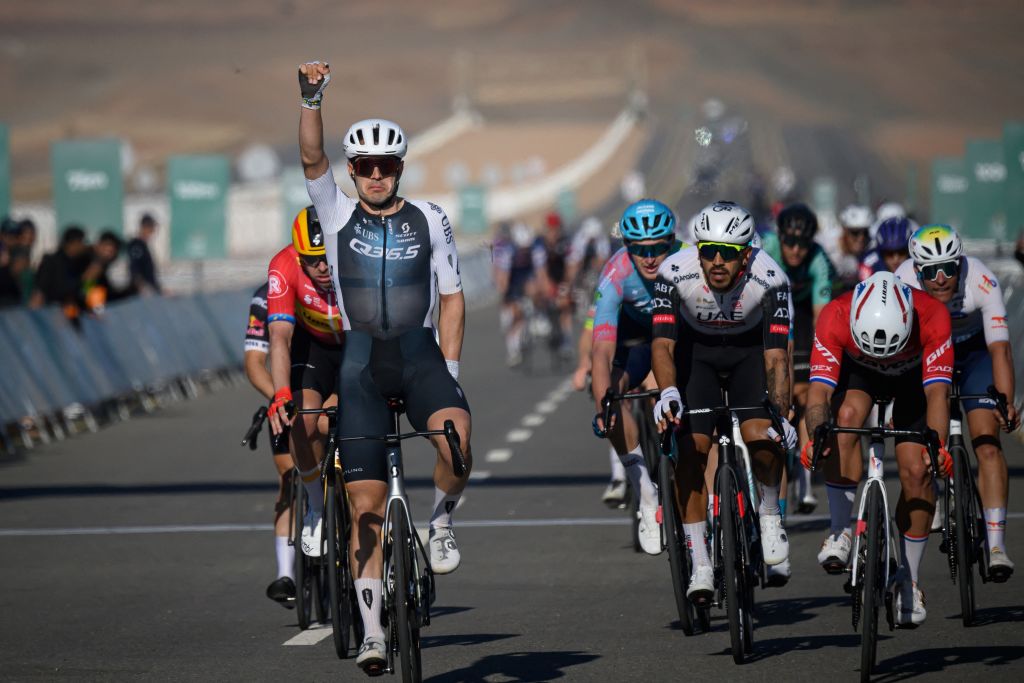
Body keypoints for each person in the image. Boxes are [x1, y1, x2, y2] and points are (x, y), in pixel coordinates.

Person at [295, 61, 472, 675]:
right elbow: (311, 157)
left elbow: (451, 295)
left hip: (421, 356)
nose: (374, 175)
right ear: (352, 171)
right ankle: (373, 632)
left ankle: (441, 521)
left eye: (386, 166)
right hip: (362, 365)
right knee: (365, 508)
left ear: (400, 168)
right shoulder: (336, 214)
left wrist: (450, 366)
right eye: (364, 167)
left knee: (458, 440)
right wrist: (312, 97)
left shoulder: (430, 218)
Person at [652, 200, 797, 599]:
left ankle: (769, 513)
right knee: (692, 448)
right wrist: (667, 392)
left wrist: (781, 415)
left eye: (729, 253)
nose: (717, 261)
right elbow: (663, 344)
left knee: (762, 436)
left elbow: (776, 358)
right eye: (708, 251)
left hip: (749, 353)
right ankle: (700, 561)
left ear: (746, 254)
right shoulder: (673, 272)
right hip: (696, 355)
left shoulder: (771, 280)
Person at [803, 271, 953, 626]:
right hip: (860, 374)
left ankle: (909, 579)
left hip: (914, 380)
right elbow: (819, 393)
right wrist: (815, 437)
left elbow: (937, 393)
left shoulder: (932, 315)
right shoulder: (835, 315)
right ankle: (840, 529)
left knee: (917, 469)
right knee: (845, 417)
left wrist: (939, 446)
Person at [895, 224, 1020, 581]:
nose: (940, 279)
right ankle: (930, 494)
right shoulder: (901, 281)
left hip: (973, 354)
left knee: (986, 440)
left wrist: (1005, 401)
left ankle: (996, 545)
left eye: (948, 268)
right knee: (920, 440)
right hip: (925, 353)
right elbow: (895, 355)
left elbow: (1000, 348)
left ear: (959, 264)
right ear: (916, 269)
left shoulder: (982, 280)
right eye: (930, 271)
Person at [590, 199, 686, 554]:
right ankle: (645, 490)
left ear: (672, 242)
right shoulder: (615, 274)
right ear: (626, 247)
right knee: (610, 398)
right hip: (635, 340)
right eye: (640, 250)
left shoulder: (690, 260)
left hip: (678, 335)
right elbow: (600, 350)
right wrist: (604, 405)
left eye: (659, 247)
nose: (650, 257)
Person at [266, 206, 344, 571]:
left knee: (345, 419)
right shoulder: (283, 265)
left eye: (329, 256)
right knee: (303, 422)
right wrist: (281, 393)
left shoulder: (354, 258)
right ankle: (315, 503)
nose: (325, 268)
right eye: (314, 262)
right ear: (299, 256)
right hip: (311, 348)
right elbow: (279, 337)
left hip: (356, 345)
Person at [760, 203, 836, 516]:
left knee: (805, 393)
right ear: (780, 238)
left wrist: (819, 366)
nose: (795, 250)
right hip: (767, 312)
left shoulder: (819, 260)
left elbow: (822, 321)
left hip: (804, 316)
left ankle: (804, 475)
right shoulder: (766, 249)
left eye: (802, 244)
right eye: (789, 242)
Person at [243, 281, 298, 606]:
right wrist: (278, 399)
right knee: (288, 478)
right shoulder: (265, 296)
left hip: (329, 384)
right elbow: (253, 363)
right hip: (284, 391)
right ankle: (286, 573)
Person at [492, 221, 543, 367]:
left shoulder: (536, 248)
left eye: (527, 248)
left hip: (527, 274)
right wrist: (506, 296)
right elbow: (503, 278)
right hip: (513, 277)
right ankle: (513, 350)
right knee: (516, 315)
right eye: (523, 249)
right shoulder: (508, 251)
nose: (525, 252)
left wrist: (543, 291)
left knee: (535, 289)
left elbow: (541, 273)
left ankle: (538, 317)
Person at [535, 211, 575, 357]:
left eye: (555, 229)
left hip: (561, 276)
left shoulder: (566, 242)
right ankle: (541, 316)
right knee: (536, 290)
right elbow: (540, 270)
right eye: (550, 230)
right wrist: (547, 287)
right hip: (546, 276)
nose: (552, 233)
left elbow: (571, 266)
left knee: (565, 304)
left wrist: (566, 285)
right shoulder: (539, 244)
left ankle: (567, 339)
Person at [30, 225, 91, 316]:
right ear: (74, 243)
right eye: (81, 242)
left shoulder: (83, 263)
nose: (83, 246)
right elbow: (40, 290)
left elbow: (86, 291)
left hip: (74, 313)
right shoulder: (51, 261)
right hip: (53, 313)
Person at [831, 205, 874, 294]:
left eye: (865, 232)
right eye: (855, 232)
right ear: (844, 231)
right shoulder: (831, 254)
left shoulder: (873, 251)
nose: (861, 238)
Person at [81, 230, 126, 312]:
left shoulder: (106, 264)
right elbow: (86, 290)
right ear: (98, 246)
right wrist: (96, 309)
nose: (110, 254)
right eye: (108, 250)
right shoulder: (93, 264)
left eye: (113, 251)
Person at [127, 213, 161, 295]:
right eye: (152, 227)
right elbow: (134, 267)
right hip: (142, 292)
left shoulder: (143, 244)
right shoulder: (136, 245)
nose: (153, 231)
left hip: (149, 289)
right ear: (145, 227)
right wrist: (142, 287)